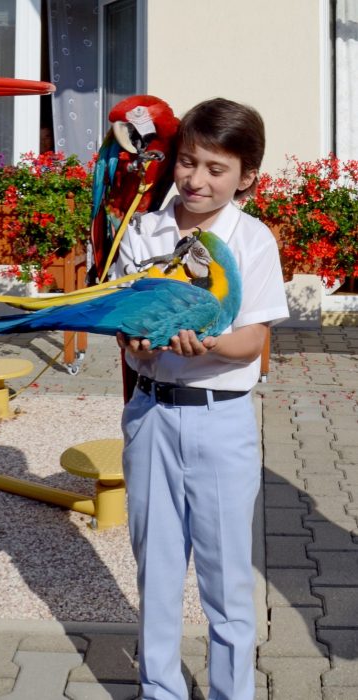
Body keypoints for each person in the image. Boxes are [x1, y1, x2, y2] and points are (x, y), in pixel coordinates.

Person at [115, 97, 289, 700]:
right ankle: (159, 689)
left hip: (221, 424)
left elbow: (252, 341)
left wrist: (206, 344)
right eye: (189, 162)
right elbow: (129, 331)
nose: (196, 179)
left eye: (217, 169)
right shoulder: (145, 232)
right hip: (150, 416)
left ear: (246, 177)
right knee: (157, 570)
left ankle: (231, 692)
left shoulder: (252, 240)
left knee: (225, 578)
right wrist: (137, 340)